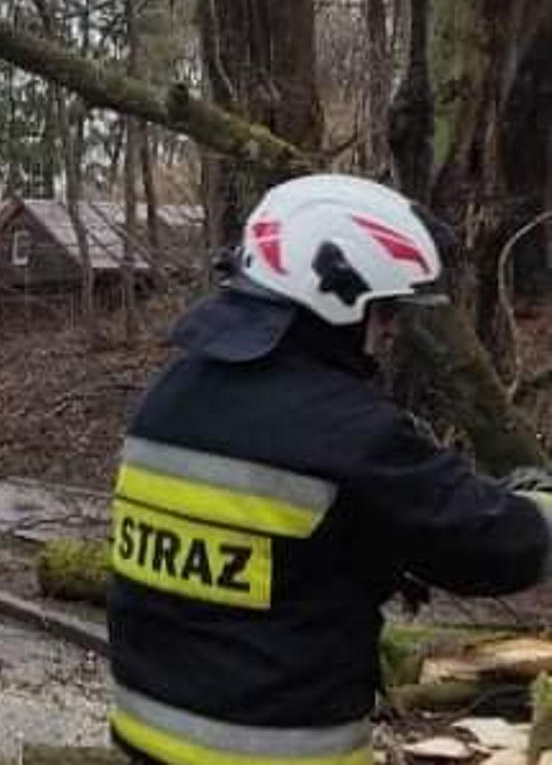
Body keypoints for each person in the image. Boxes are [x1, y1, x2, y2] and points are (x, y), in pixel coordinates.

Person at [108, 174, 552, 765]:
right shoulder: (347, 430)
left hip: (146, 737)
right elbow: (492, 547)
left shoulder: (171, 394)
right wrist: (538, 505)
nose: (391, 330)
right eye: (385, 309)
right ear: (334, 295)